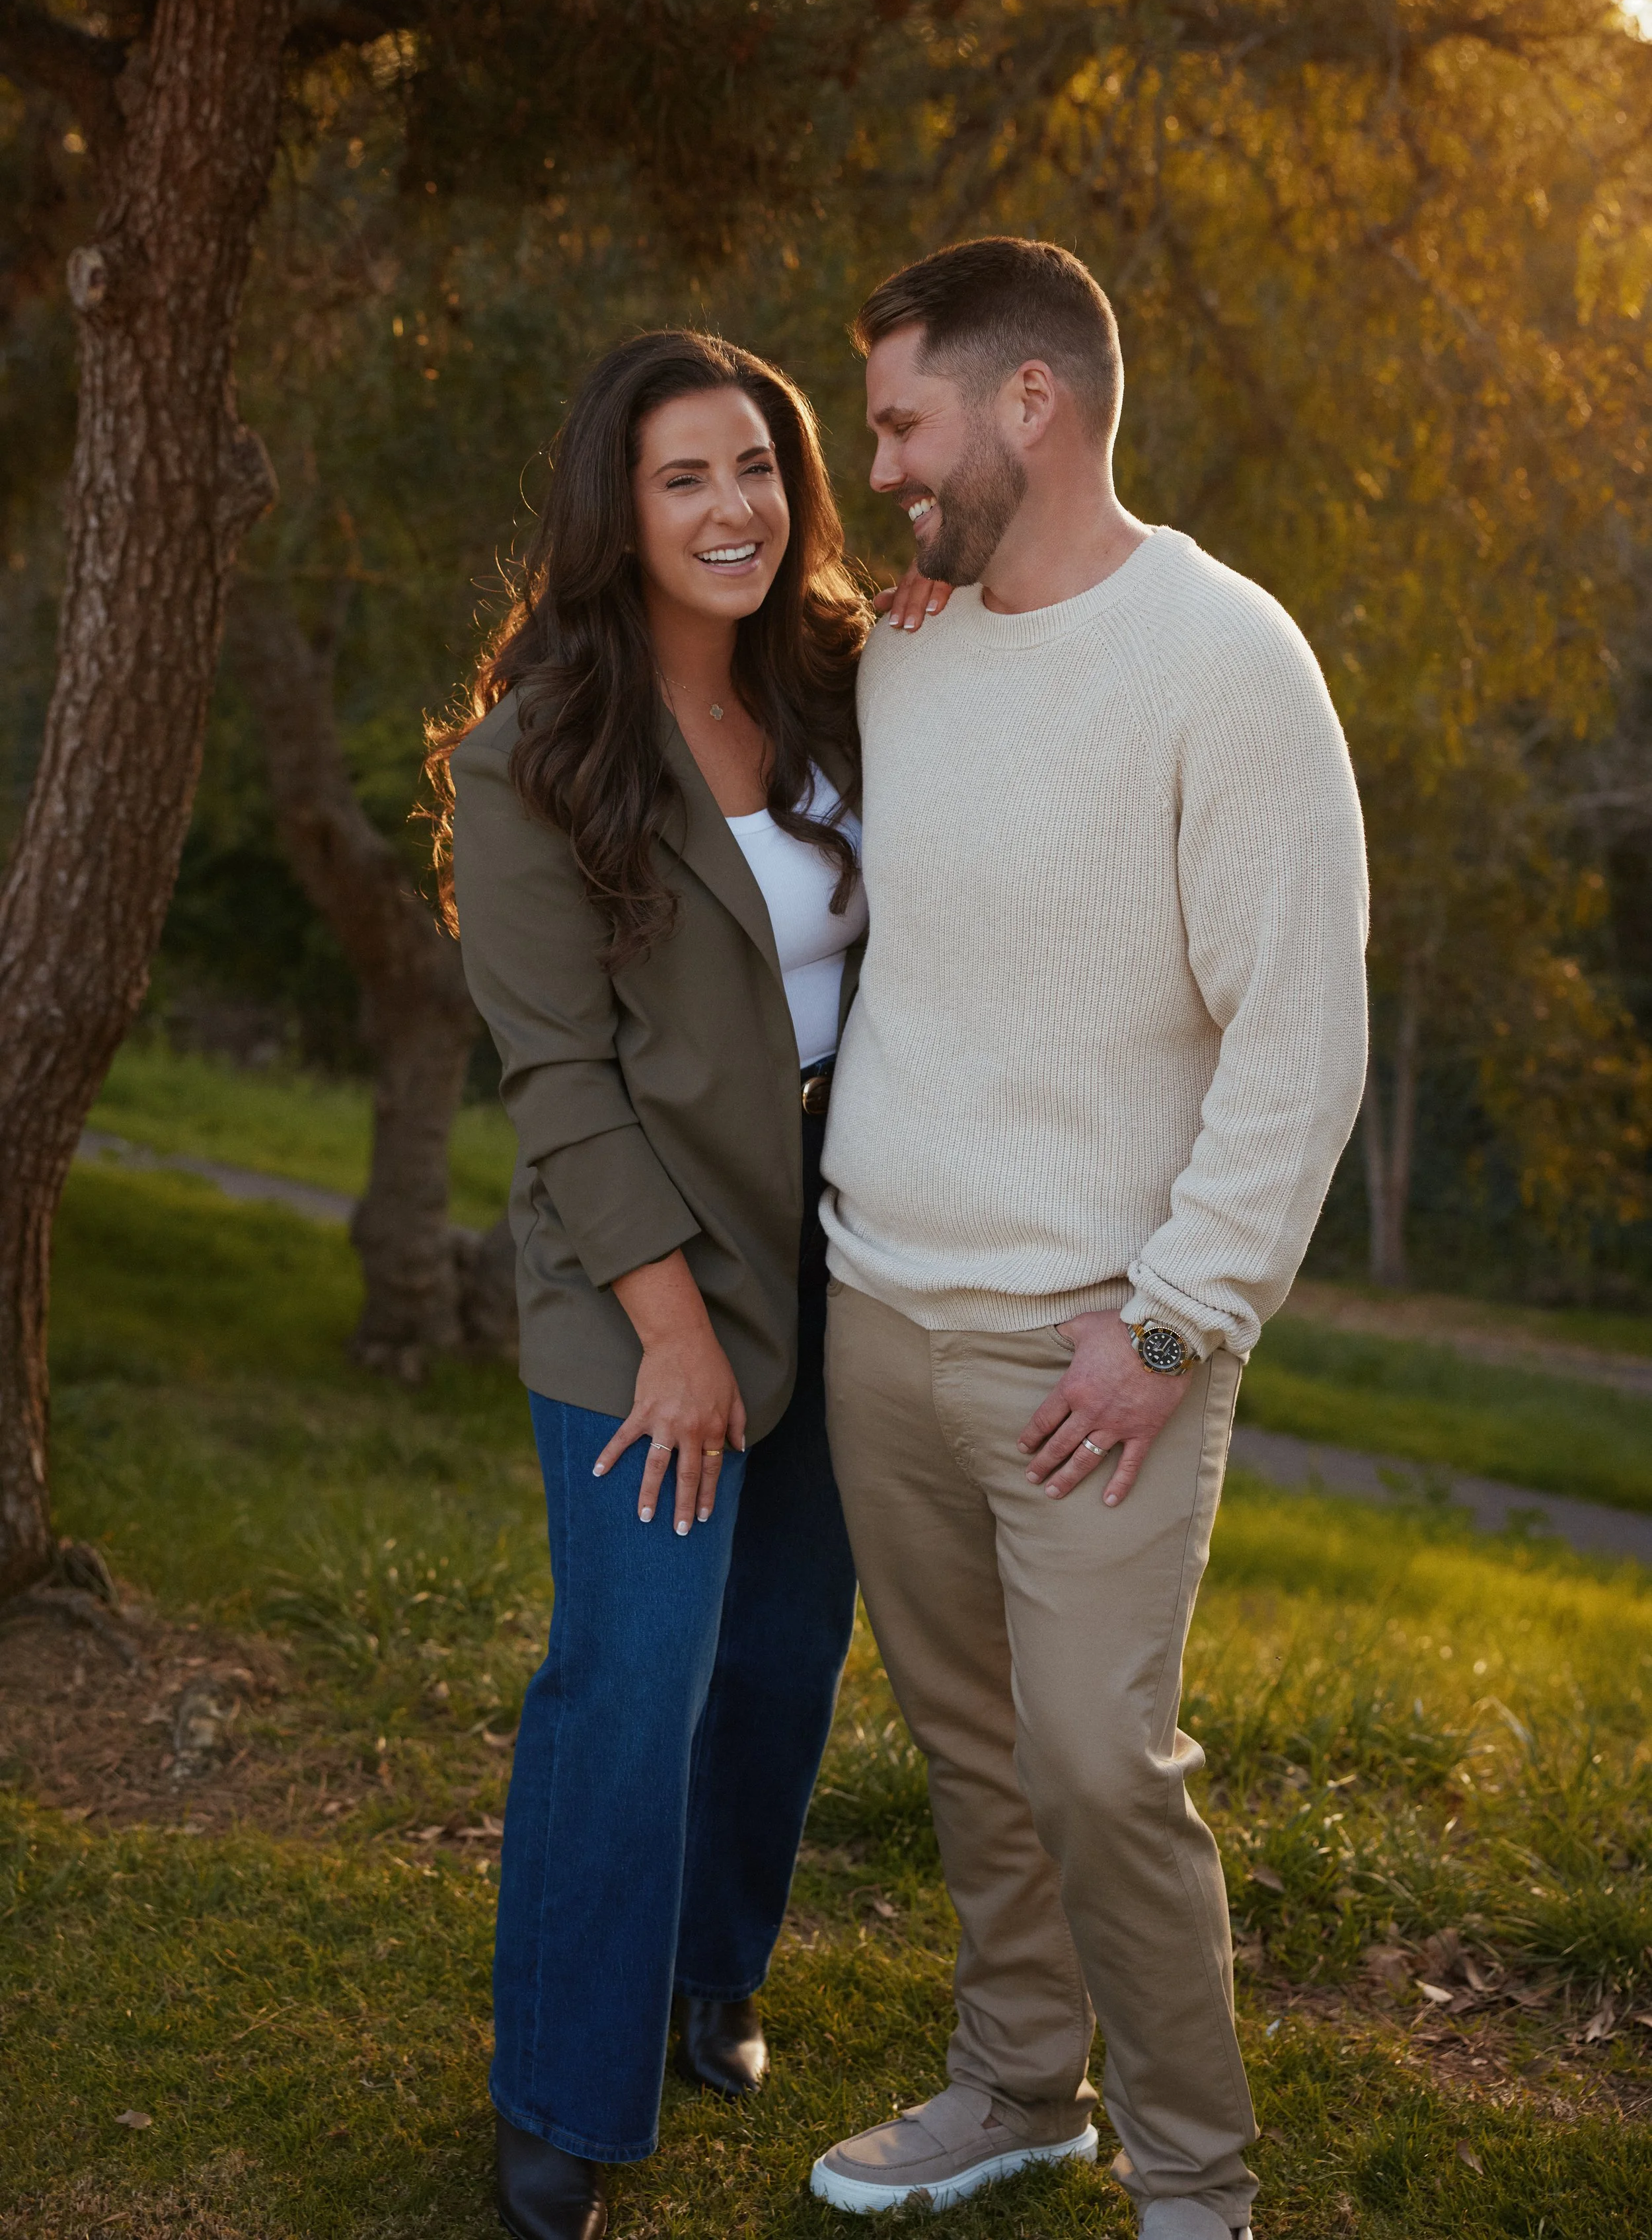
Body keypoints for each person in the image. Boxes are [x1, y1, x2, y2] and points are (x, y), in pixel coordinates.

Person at [811, 239, 1369, 2240]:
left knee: (1096, 1763)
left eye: (898, 419)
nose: (874, 465)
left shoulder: (1228, 658)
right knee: (972, 1748)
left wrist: (1171, 1321)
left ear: (1025, 401)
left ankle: (1198, 2185)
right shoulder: (909, 641)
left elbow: (1300, 1029)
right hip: (879, 1304)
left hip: (1096, 1343)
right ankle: (1014, 2086)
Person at [436, 330, 869, 2240]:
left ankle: (717, 1969)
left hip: (850, 1254)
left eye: (758, 470)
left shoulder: (857, 685)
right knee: (632, 1675)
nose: (731, 509)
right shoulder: (532, 753)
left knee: (778, 1661)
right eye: (685, 475)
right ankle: (562, 2091)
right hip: (637, 1280)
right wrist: (674, 1334)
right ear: (617, 507)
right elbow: (559, 1079)